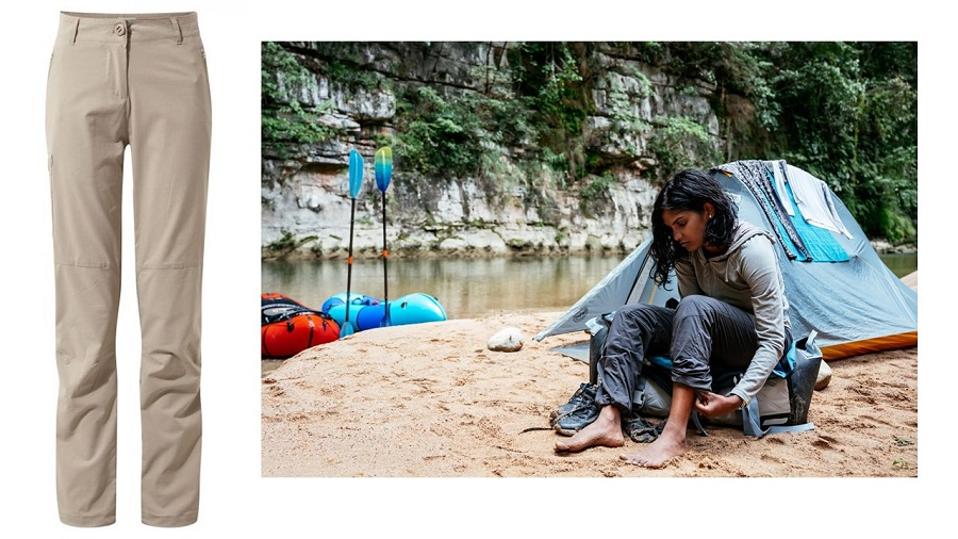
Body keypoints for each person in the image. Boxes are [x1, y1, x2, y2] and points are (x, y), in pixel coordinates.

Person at [554, 169, 792, 468]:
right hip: (709, 329)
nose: (677, 235)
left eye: (682, 223)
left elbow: (773, 339)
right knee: (630, 315)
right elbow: (688, 318)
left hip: (753, 337)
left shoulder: (753, 249)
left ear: (708, 211)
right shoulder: (688, 251)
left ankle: (675, 434)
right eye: (671, 229)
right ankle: (609, 419)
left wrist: (737, 397)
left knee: (693, 306)